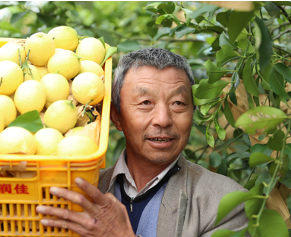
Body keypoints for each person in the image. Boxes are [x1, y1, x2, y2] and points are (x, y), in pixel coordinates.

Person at [36, 48, 249, 237]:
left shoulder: (226, 202)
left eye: (178, 103)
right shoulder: (74, 193)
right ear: (117, 117)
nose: (163, 119)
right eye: (145, 102)